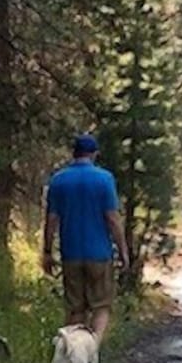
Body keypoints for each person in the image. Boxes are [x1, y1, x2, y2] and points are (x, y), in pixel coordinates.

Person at [43, 134, 129, 345]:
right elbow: (112, 219)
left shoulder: (58, 180)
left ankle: (74, 356)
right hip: (99, 254)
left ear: (74, 153)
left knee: (75, 310)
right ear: (94, 154)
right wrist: (123, 250)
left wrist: (46, 251)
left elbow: (51, 220)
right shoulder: (104, 179)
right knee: (101, 307)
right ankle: (91, 352)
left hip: (70, 254)